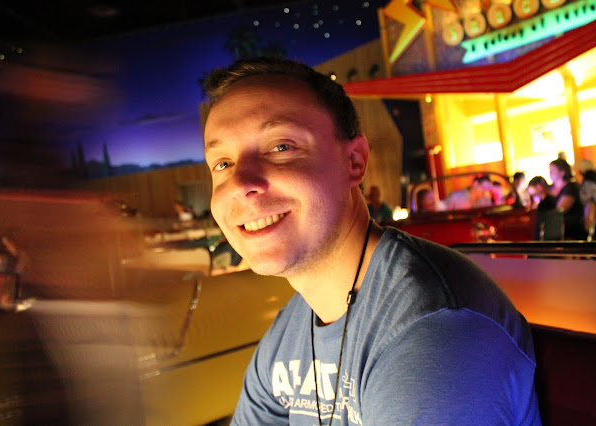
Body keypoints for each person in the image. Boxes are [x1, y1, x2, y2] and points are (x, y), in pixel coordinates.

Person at [203, 57, 540, 424]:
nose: (239, 183)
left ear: (355, 161)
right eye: (222, 164)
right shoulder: (294, 325)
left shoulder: (434, 334)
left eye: (281, 147)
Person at [549, 158, 587, 240]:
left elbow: (560, 210)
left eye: (553, 170)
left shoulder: (570, 188)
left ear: (562, 172)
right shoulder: (551, 188)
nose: (550, 173)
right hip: (557, 229)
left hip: (571, 231)